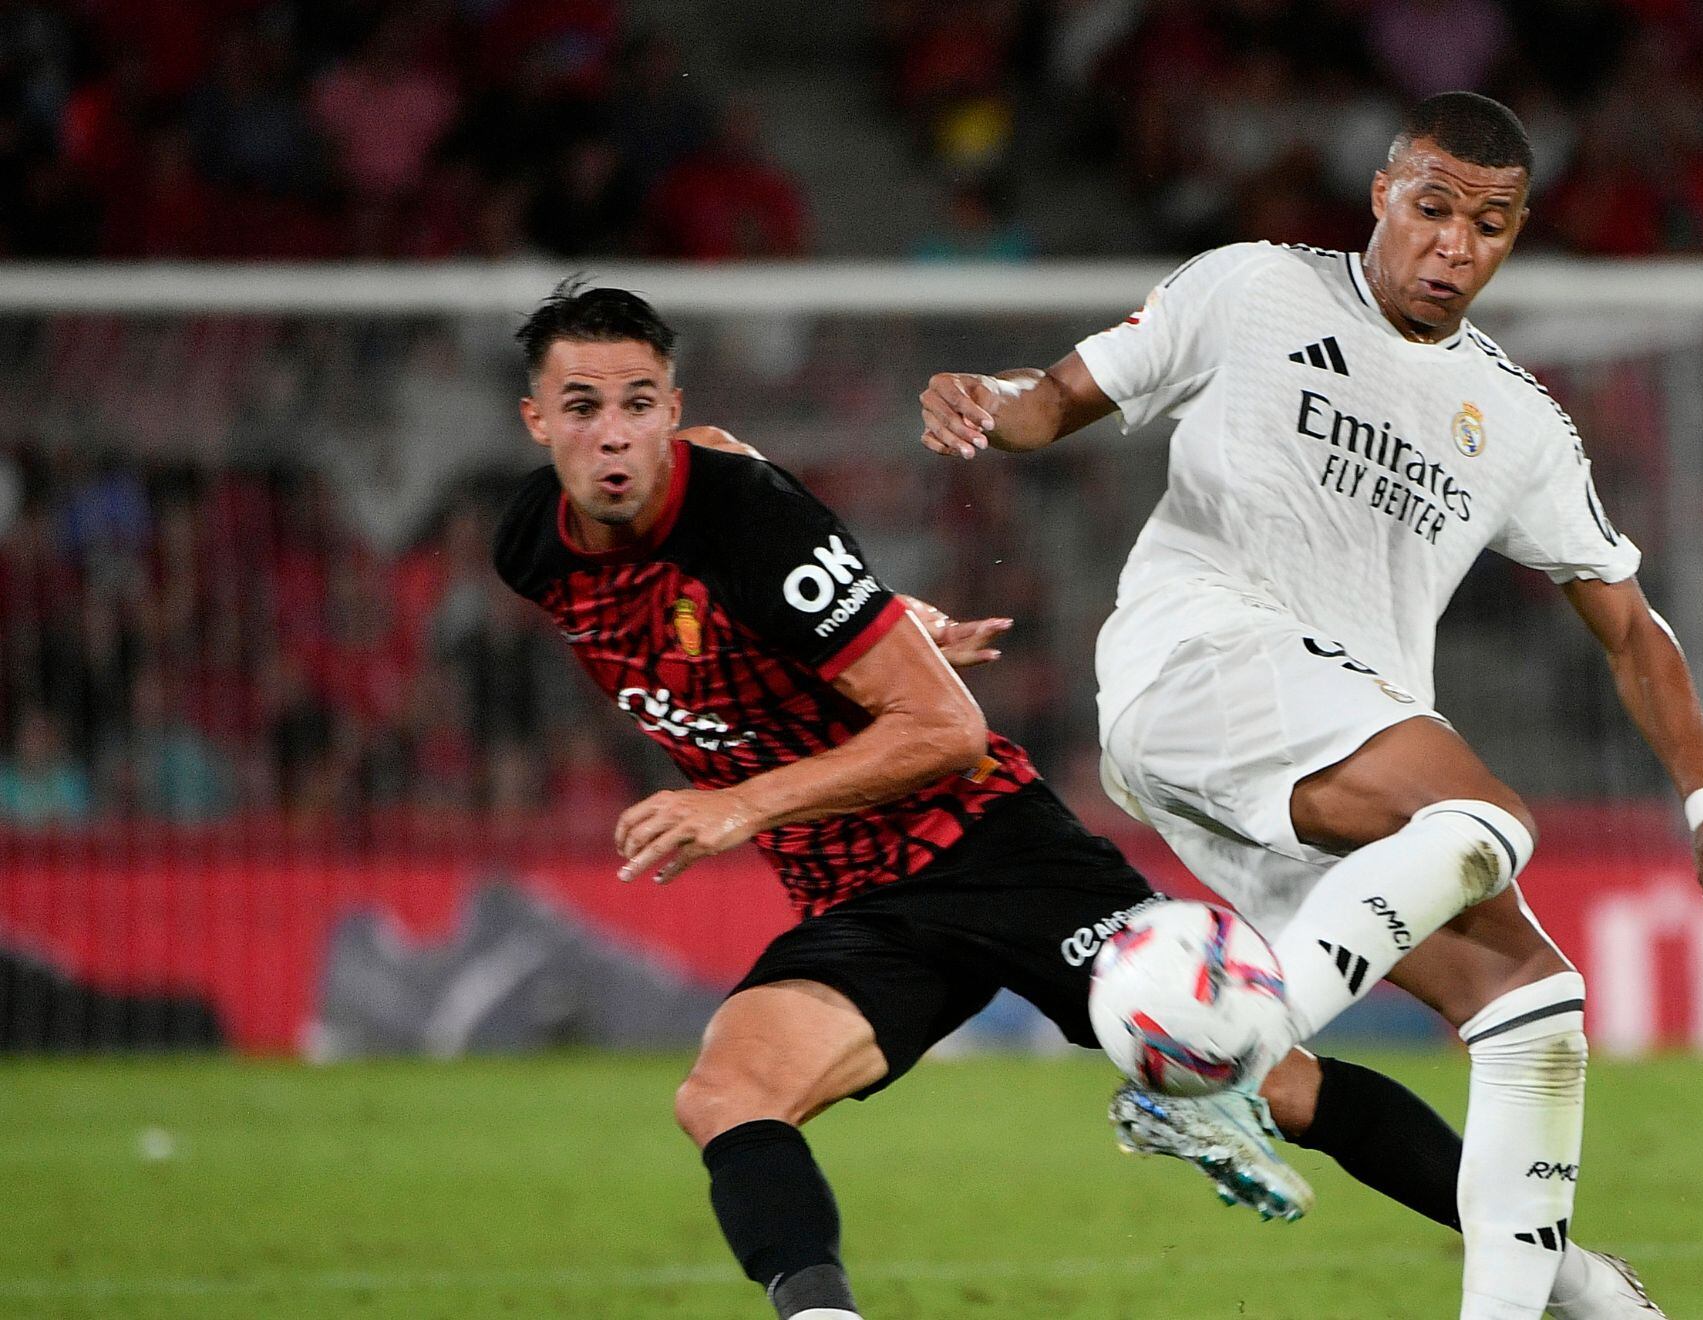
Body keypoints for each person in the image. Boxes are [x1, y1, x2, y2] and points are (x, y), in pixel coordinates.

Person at [920, 91, 1703, 1320]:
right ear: (1381, 193)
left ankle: (1555, 1295)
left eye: (1489, 225)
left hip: (1318, 757)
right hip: (1200, 657)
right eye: (1431, 210)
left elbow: (1630, 626)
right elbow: (1055, 398)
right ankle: (1210, 1070)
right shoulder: (1252, 289)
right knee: (1486, 819)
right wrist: (985, 399)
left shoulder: (1519, 421)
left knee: (1532, 1004)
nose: (1452, 248)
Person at [493, 280, 1483, 1318]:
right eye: (582, 406)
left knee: (1276, 1083)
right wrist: (870, 618)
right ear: (535, 421)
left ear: (669, 402)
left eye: (640, 403)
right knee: (726, 1096)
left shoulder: (750, 528)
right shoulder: (532, 546)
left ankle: (1547, 1259)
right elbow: (720, 446)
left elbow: (944, 730)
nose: (615, 436)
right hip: (855, 900)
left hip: (991, 847)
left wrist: (740, 802)